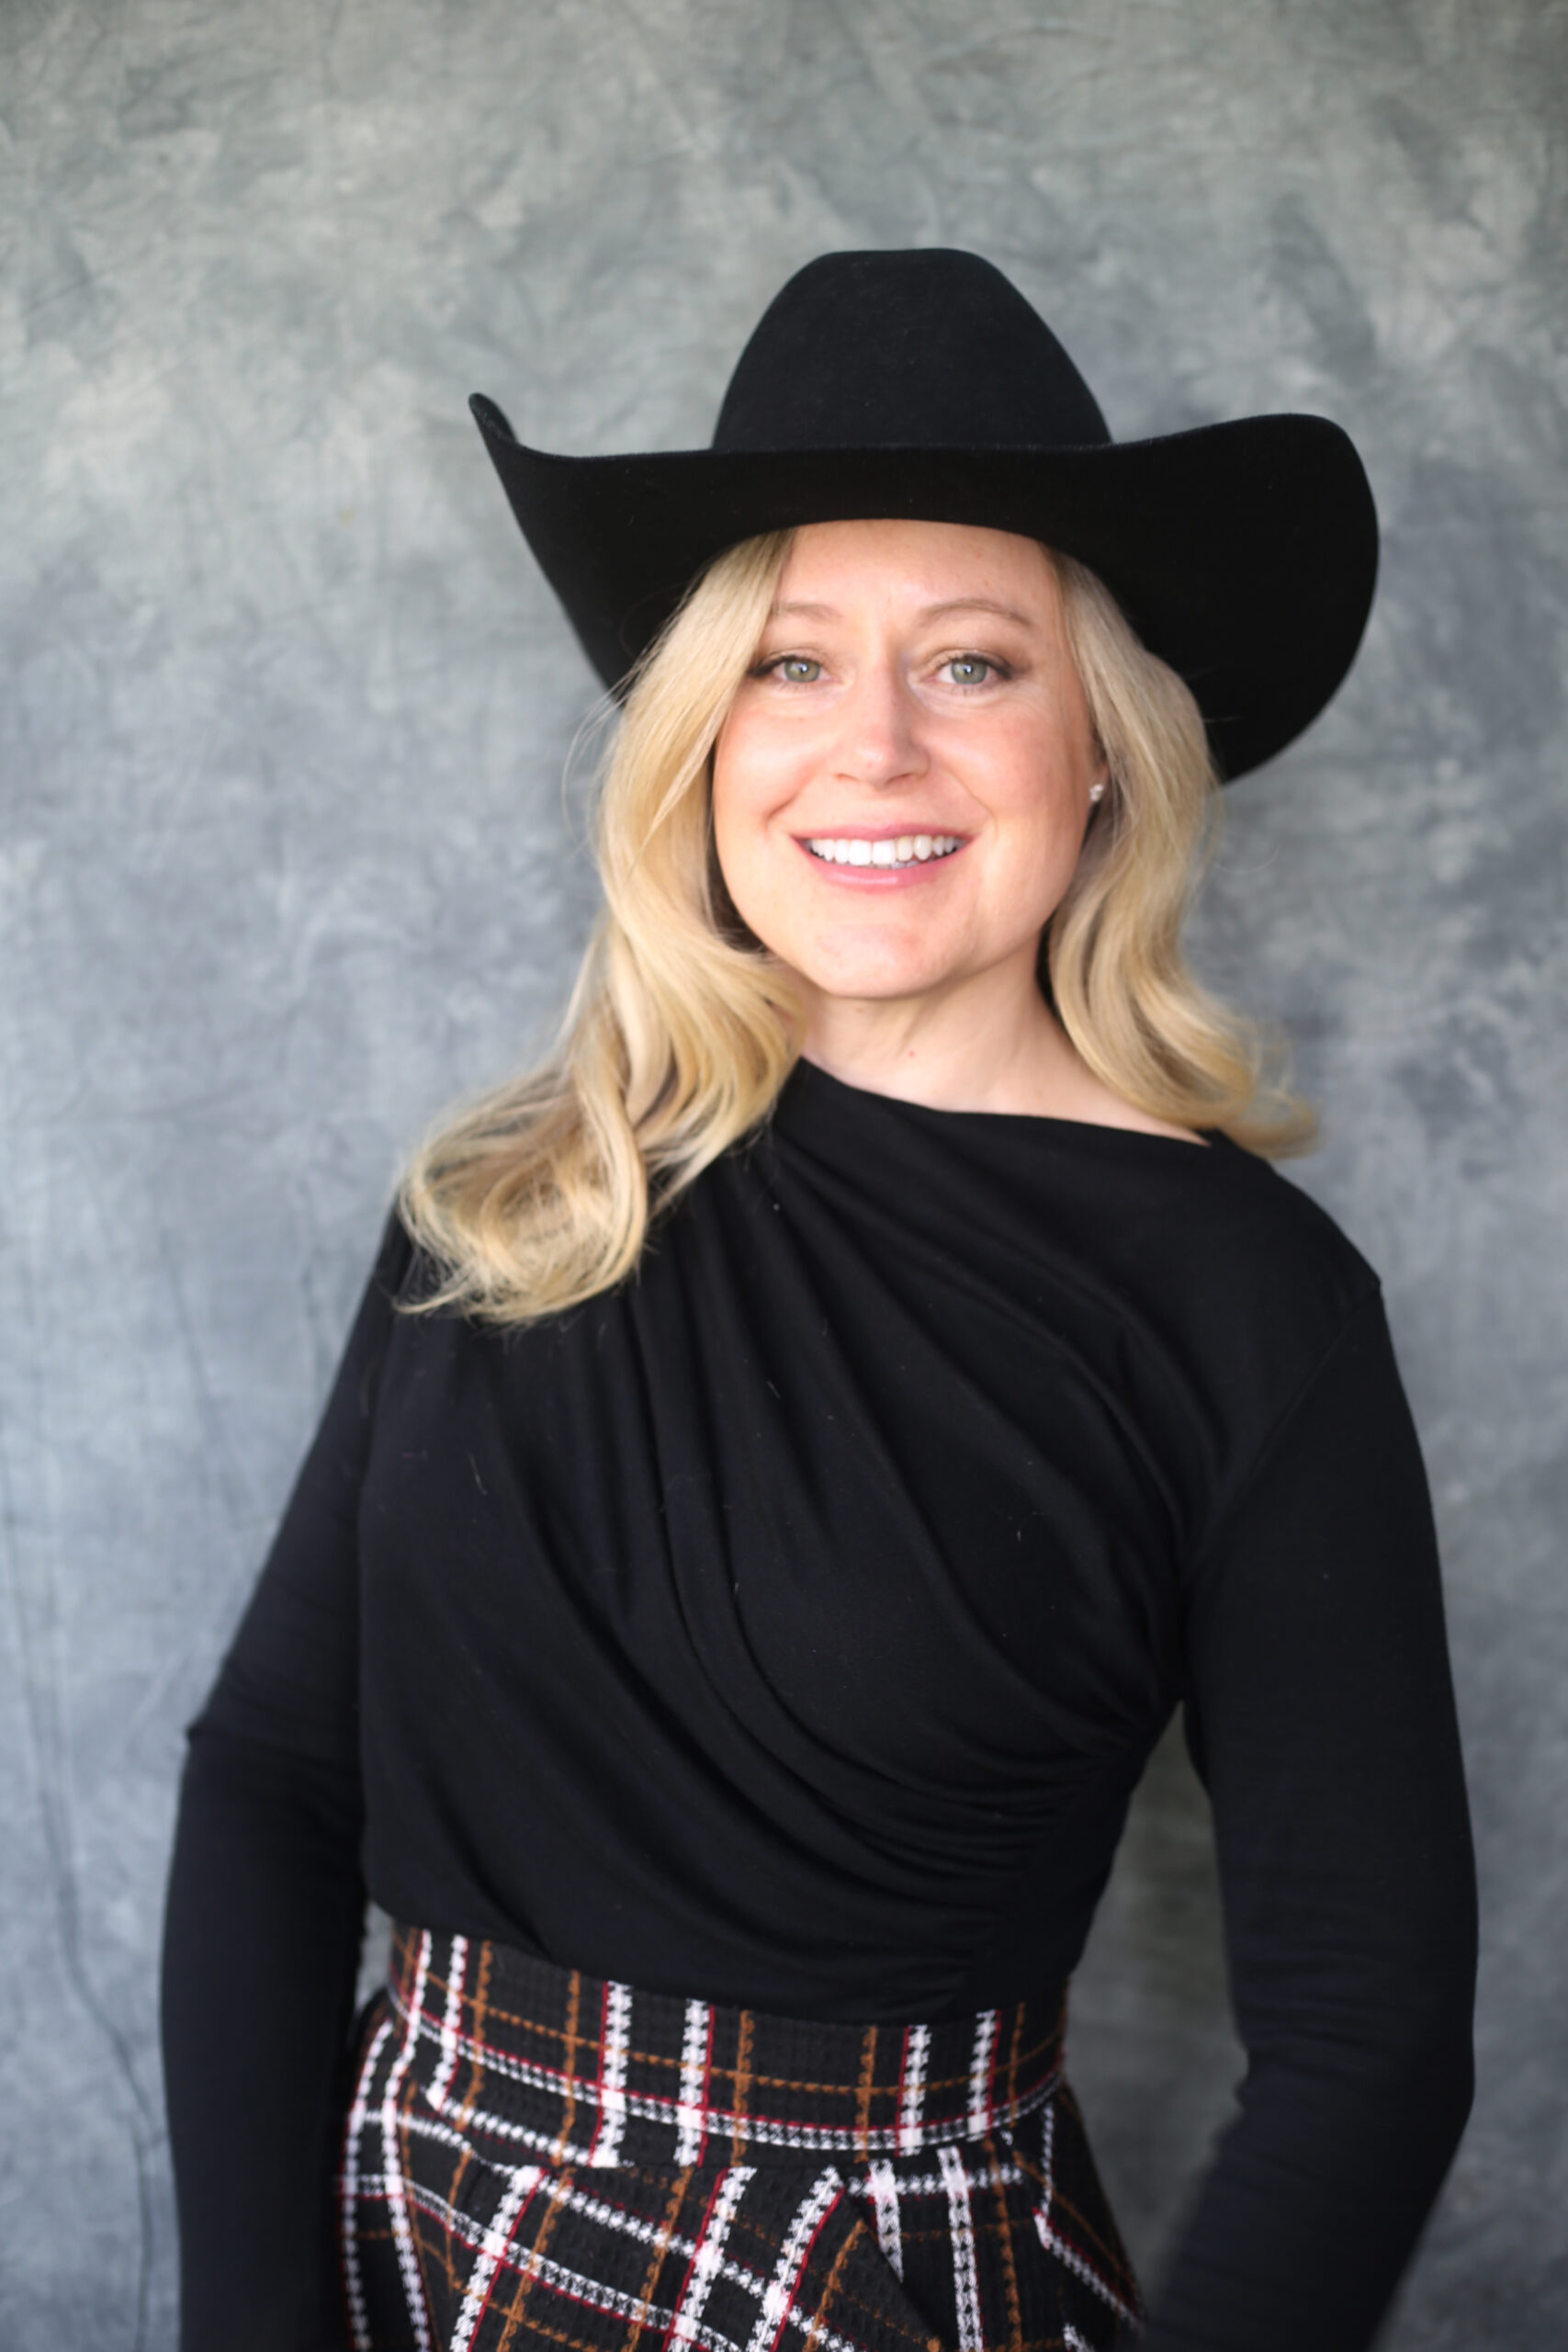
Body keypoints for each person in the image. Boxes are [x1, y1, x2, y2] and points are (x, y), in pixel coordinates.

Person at [161, 249, 1477, 2352]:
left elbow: (1367, 2034)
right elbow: (269, 1781)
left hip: (874, 2284)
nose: (867, 746)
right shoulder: (517, 1195)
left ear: (1104, 751)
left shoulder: (1251, 1311)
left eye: (969, 664)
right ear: (696, 739)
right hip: (402, 2239)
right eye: (786, 660)